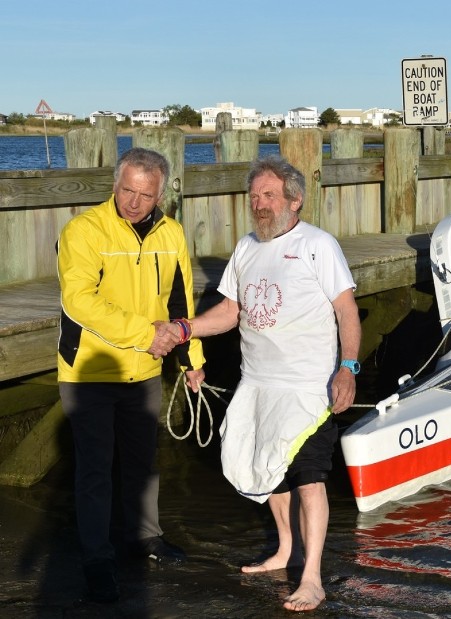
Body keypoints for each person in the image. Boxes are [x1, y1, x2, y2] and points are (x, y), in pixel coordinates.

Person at [189, 156, 361, 612]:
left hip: (307, 387)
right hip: (259, 384)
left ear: (294, 199)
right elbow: (229, 313)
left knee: (309, 479)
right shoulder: (246, 248)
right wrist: (184, 329)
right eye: (255, 197)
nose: (260, 205)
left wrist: (349, 368)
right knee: (273, 472)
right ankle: (285, 549)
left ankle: (312, 577)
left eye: (269, 196)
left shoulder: (318, 245)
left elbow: (347, 311)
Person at [57, 147, 206, 602]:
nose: (134, 202)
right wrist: (145, 334)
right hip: (90, 370)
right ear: (115, 184)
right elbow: (79, 301)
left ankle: (144, 538)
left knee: (143, 463)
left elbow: (180, 301)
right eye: (127, 190)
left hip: (144, 370)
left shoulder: (172, 232)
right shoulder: (84, 231)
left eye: (145, 194)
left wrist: (190, 359)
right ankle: (97, 557)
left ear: (161, 193)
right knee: (96, 470)